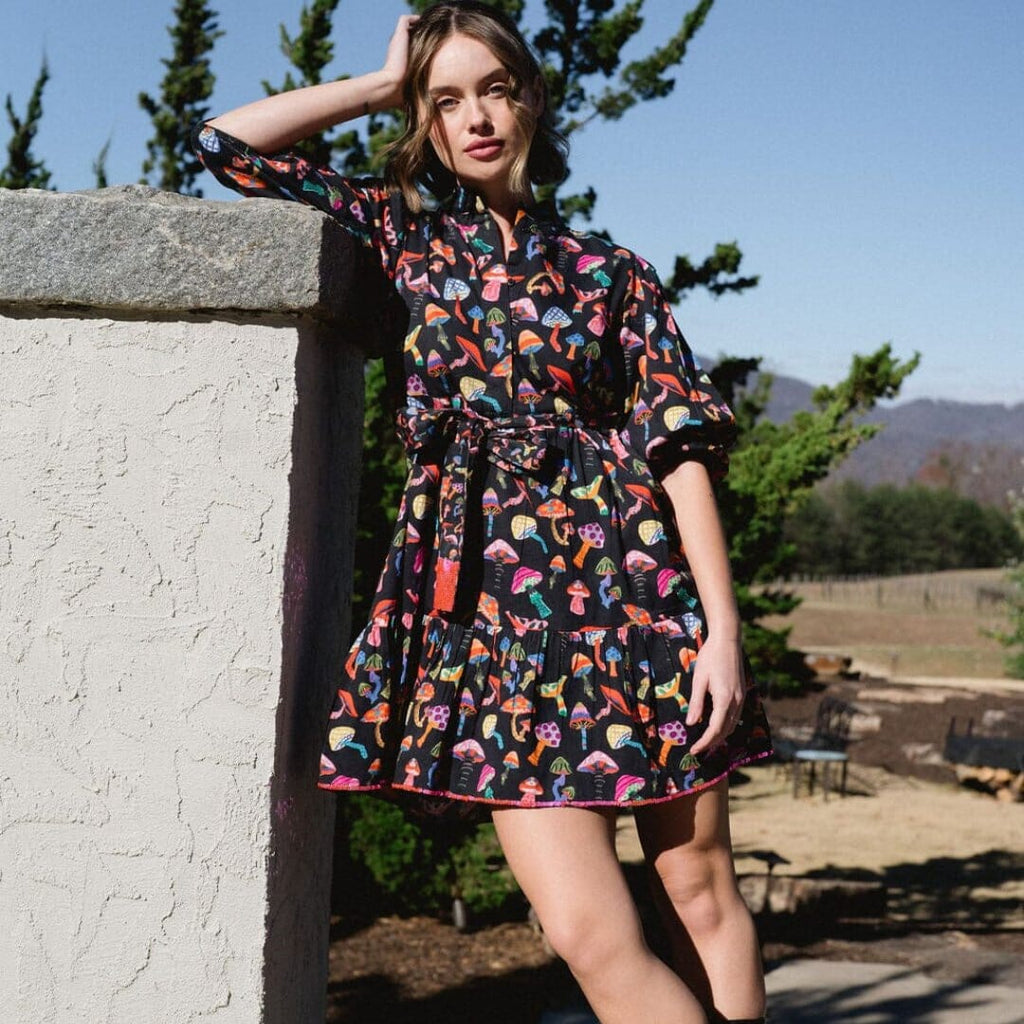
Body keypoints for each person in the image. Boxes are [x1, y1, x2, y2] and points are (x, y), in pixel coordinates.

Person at [191, 3, 772, 1021]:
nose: (474, 117)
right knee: (588, 932)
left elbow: (678, 454)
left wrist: (722, 631)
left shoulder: (610, 273)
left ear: (530, 100)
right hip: (493, 626)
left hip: (640, 602)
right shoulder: (399, 236)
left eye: (493, 89)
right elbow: (225, 145)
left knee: (698, 887)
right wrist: (380, 83)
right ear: (424, 118)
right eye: (445, 99)